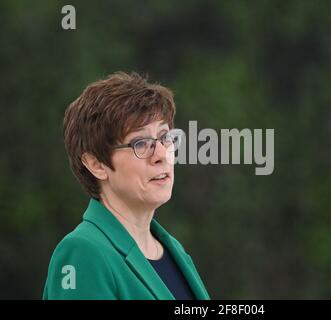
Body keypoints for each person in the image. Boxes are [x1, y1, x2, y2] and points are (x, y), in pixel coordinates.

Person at [43, 72, 210, 300]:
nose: (161, 154)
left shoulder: (176, 251)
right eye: (140, 143)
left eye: (164, 137)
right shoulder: (82, 253)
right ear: (96, 164)